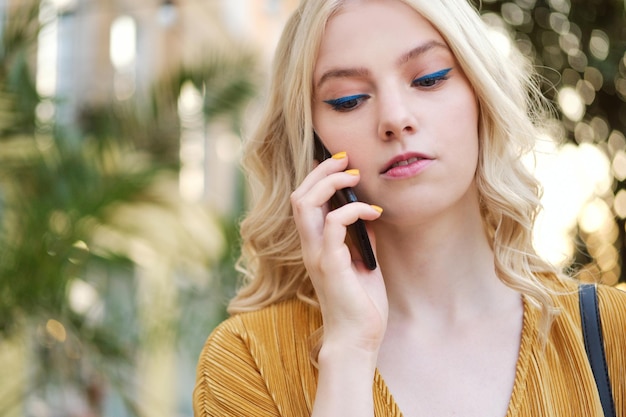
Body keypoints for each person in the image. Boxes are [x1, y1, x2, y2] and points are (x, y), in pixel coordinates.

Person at [193, 0, 626, 416]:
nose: (395, 118)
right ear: (312, 146)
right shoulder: (247, 362)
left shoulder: (612, 334)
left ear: (481, 95)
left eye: (429, 78)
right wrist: (348, 351)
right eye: (348, 99)